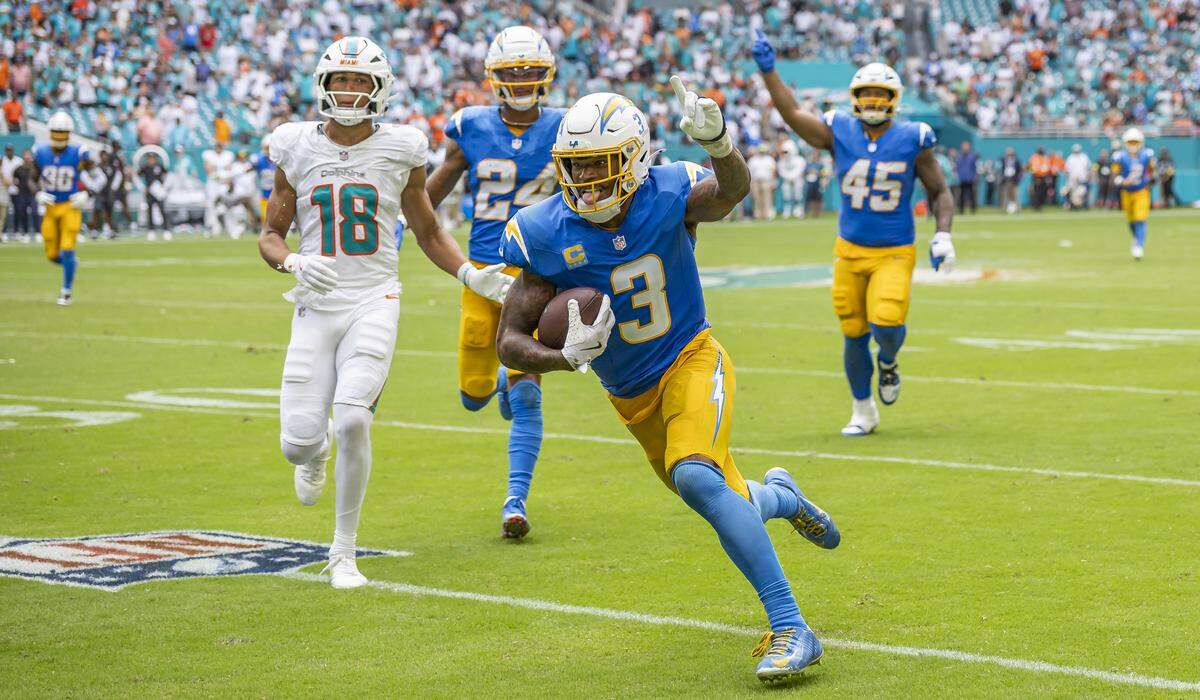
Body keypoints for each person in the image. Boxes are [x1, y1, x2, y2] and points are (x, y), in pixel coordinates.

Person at [496, 83, 839, 684]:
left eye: (601, 168)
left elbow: (730, 192)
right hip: (630, 397)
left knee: (695, 475)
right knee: (720, 496)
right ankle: (782, 496)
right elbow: (510, 338)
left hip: (691, 359)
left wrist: (718, 142)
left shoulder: (668, 192)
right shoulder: (546, 230)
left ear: (632, 160)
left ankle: (793, 626)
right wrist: (564, 357)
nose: (589, 184)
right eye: (576, 169)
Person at [257, 37, 514, 589]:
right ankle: (313, 452)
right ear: (323, 86)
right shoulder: (295, 145)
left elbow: (427, 229)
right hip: (314, 302)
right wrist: (294, 263)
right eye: (340, 81)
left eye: (358, 81)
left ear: (380, 88)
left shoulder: (401, 147)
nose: (348, 91)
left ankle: (343, 552)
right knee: (297, 441)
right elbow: (271, 235)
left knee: (353, 418)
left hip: (375, 297)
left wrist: (469, 274)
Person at [754, 34, 956, 436]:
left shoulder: (913, 137)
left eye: (882, 96)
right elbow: (793, 114)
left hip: (894, 250)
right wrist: (768, 70)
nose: (874, 103)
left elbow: (940, 191)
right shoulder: (839, 130)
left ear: (894, 99)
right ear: (854, 98)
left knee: (885, 321)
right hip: (849, 250)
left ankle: (889, 361)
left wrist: (943, 234)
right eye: (868, 95)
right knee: (852, 330)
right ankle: (863, 409)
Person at [424, 26, 564, 538]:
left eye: (530, 71)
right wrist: (395, 223)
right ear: (493, 77)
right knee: (474, 394)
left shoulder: (568, 128)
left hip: (536, 275)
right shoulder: (471, 127)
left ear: (547, 75)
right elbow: (430, 195)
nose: (522, 80)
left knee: (528, 393)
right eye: (512, 72)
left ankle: (515, 500)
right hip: (481, 275)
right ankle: (498, 382)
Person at [33, 111, 92, 305]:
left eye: (63, 131)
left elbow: (99, 176)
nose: (59, 135)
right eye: (56, 131)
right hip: (50, 208)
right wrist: (37, 192)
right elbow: (32, 179)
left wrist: (87, 194)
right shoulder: (40, 152)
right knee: (52, 254)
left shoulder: (78, 153)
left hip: (70, 206)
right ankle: (71, 265)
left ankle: (66, 291)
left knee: (67, 248)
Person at [1111, 128, 1155, 261]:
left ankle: (1138, 245)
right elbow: (1115, 174)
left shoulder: (1147, 155)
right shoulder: (1120, 157)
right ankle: (1137, 239)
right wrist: (1120, 181)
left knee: (1140, 219)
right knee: (1131, 220)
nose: (1133, 145)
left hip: (1141, 191)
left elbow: (1152, 173)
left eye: (1135, 142)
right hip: (1126, 192)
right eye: (1130, 142)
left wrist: (1148, 180)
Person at [201, 140, 233, 237]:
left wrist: (222, 176)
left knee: (225, 205)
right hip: (213, 183)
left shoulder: (228, 155)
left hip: (223, 183)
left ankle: (228, 227)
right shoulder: (208, 154)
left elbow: (229, 169)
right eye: (217, 146)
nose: (218, 147)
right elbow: (209, 169)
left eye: (220, 146)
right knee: (211, 204)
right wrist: (218, 173)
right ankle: (211, 226)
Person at [138, 151, 168, 239]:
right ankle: (151, 230)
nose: (151, 160)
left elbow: (166, 175)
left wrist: (163, 187)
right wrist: (143, 188)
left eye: (153, 158)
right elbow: (137, 176)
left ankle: (166, 229)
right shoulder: (145, 167)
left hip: (158, 192)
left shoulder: (159, 166)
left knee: (162, 209)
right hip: (150, 192)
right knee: (150, 211)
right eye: (150, 158)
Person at [11, 150, 37, 243]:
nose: (27, 157)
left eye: (28, 155)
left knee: (35, 213)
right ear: (23, 156)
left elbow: (39, 179)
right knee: (23, 214)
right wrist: (16, 185)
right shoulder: (19, 169)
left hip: (33, 194)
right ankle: (25, 233)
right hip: (22, 194)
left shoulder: (35, 168)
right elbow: (14, 178)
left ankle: (38, 233)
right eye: (25, 155)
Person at [747, 145, 778, 220]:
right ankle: (758, 215)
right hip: (755, 181)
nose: (762, 152)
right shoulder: (753, 160)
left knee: (767, 198)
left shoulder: (769, 159)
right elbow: (749, 172)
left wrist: (773, 181)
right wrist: (750, 183)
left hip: (766, 180)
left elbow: (773, 171)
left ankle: (768, 214)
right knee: (756, 198)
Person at [776, 140, 806, 218]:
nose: (785, 154)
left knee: (798, 194)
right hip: (787, 180)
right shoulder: (782, 161)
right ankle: (787, 210)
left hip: (797, 180)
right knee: (786, 194)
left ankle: (798, 209)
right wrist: (789, 177)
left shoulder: (799, 160)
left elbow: (799, 170)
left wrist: (792, 177)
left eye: (787, 151)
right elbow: (781, 171)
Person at [1063, 144, 1092, 210]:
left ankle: (1085, 206)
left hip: (1083, 179)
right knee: (1070, 193)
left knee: (1083, 193)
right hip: (1072, 180)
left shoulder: (1084, 157)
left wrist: (1088, 177)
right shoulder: (1070, 158)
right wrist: (1068, 179)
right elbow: (1067, 170)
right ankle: (1070, 206)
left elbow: (1089, 168)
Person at [803, 152, 828, 219]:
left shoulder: (820, 165)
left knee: (818, 199)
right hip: (809, 183)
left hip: (817, 182)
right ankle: (806, 212)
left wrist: (817, 172)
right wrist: (809, 171)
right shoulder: (808, 164)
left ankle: (817, 212)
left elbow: (824, 174)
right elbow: (804, 172)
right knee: (808, 198)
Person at [955, 141, 978, 214]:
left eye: (966, 146)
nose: (965, 148)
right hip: (962, 178)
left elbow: (974, 168)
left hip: (970, 178)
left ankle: (973, 209)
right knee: (961, 194)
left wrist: (974, 176)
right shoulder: (959, 157)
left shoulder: (972, 157)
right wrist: (957, 176)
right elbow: (957, 168)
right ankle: (961, 210)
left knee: (971, 194)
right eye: (964, 146)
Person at [998, 147, 1022, 213]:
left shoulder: (1016, 160)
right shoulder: (1003, 159)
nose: (1008, 152)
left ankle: (1017, 209)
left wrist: (1018, 178)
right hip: (1005, 179)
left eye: (1010, 151)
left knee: (1015, 195)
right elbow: (999, 168)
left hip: (1014, 179)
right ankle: (1004, 208)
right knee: (1005, 195)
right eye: (1007, 151)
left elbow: (1020, 170)